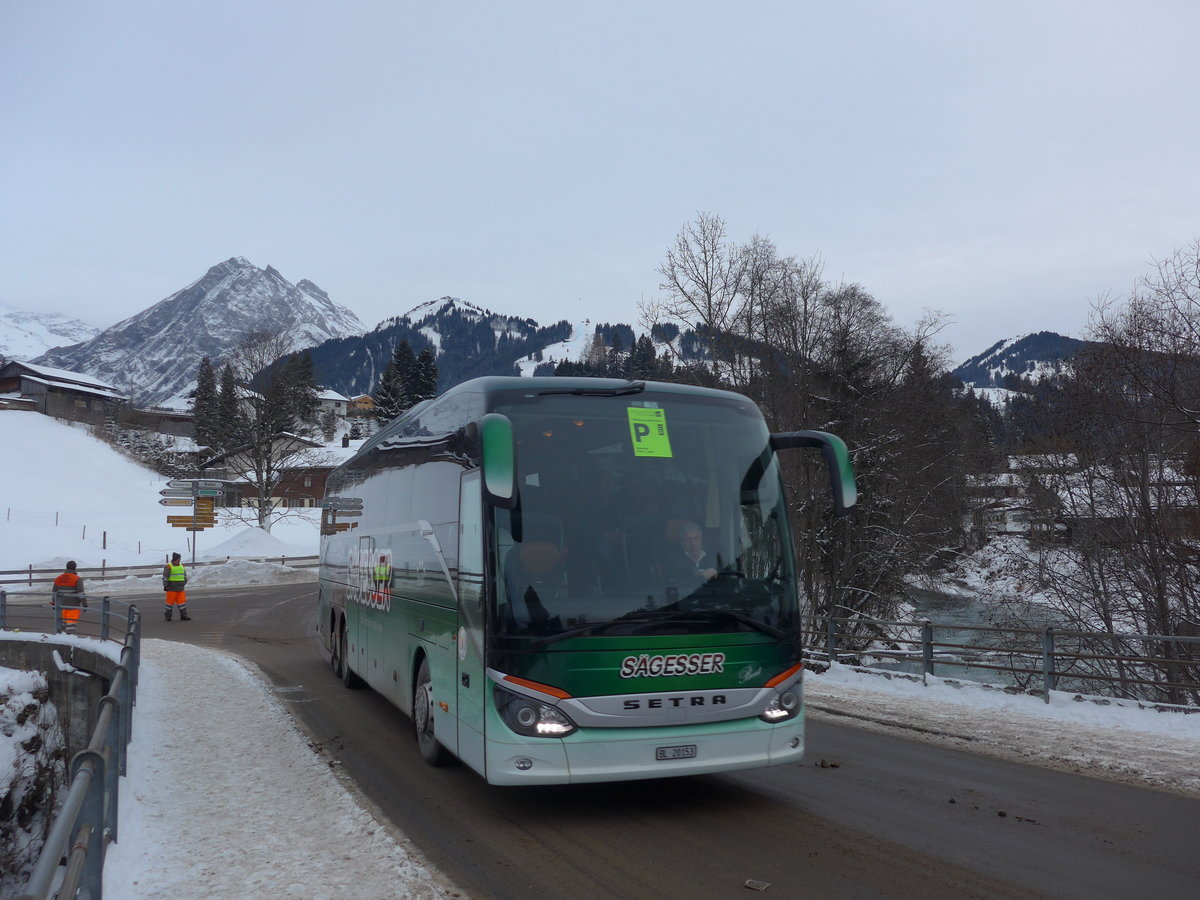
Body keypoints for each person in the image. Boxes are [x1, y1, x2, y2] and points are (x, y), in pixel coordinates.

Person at [660, 520, 718, 588]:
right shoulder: (673, 558)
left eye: (696, 539)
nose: (693, 544)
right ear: (682, 542)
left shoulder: (711, 557)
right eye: (688, 540)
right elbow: (681, 570)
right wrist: (701, 573)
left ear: (701, 540)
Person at [52, 560, 87, 634]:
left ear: (66, 567)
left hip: (61, 606)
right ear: (75, 568)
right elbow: (81, 593)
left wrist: (54, 604)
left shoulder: (58, 578)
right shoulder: (77, 579)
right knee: (71, 626)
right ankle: (70, 639)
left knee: (62, 626)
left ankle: (62, 640)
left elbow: (54, 593)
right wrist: (85, 604)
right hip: (73, 607)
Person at [162, 552, 190, 621]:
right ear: (175, 559)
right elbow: (165, 577)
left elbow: (184, 576)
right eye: (178, 559)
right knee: (169, 604)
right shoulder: (168, 566)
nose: (179, 560)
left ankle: (184, 616)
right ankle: (168, 617)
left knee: (182, 603)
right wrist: (165, 585)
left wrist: (184, 582)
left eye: (180, 558)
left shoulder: (182, 566)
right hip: (171, 588)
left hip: (181, 589)